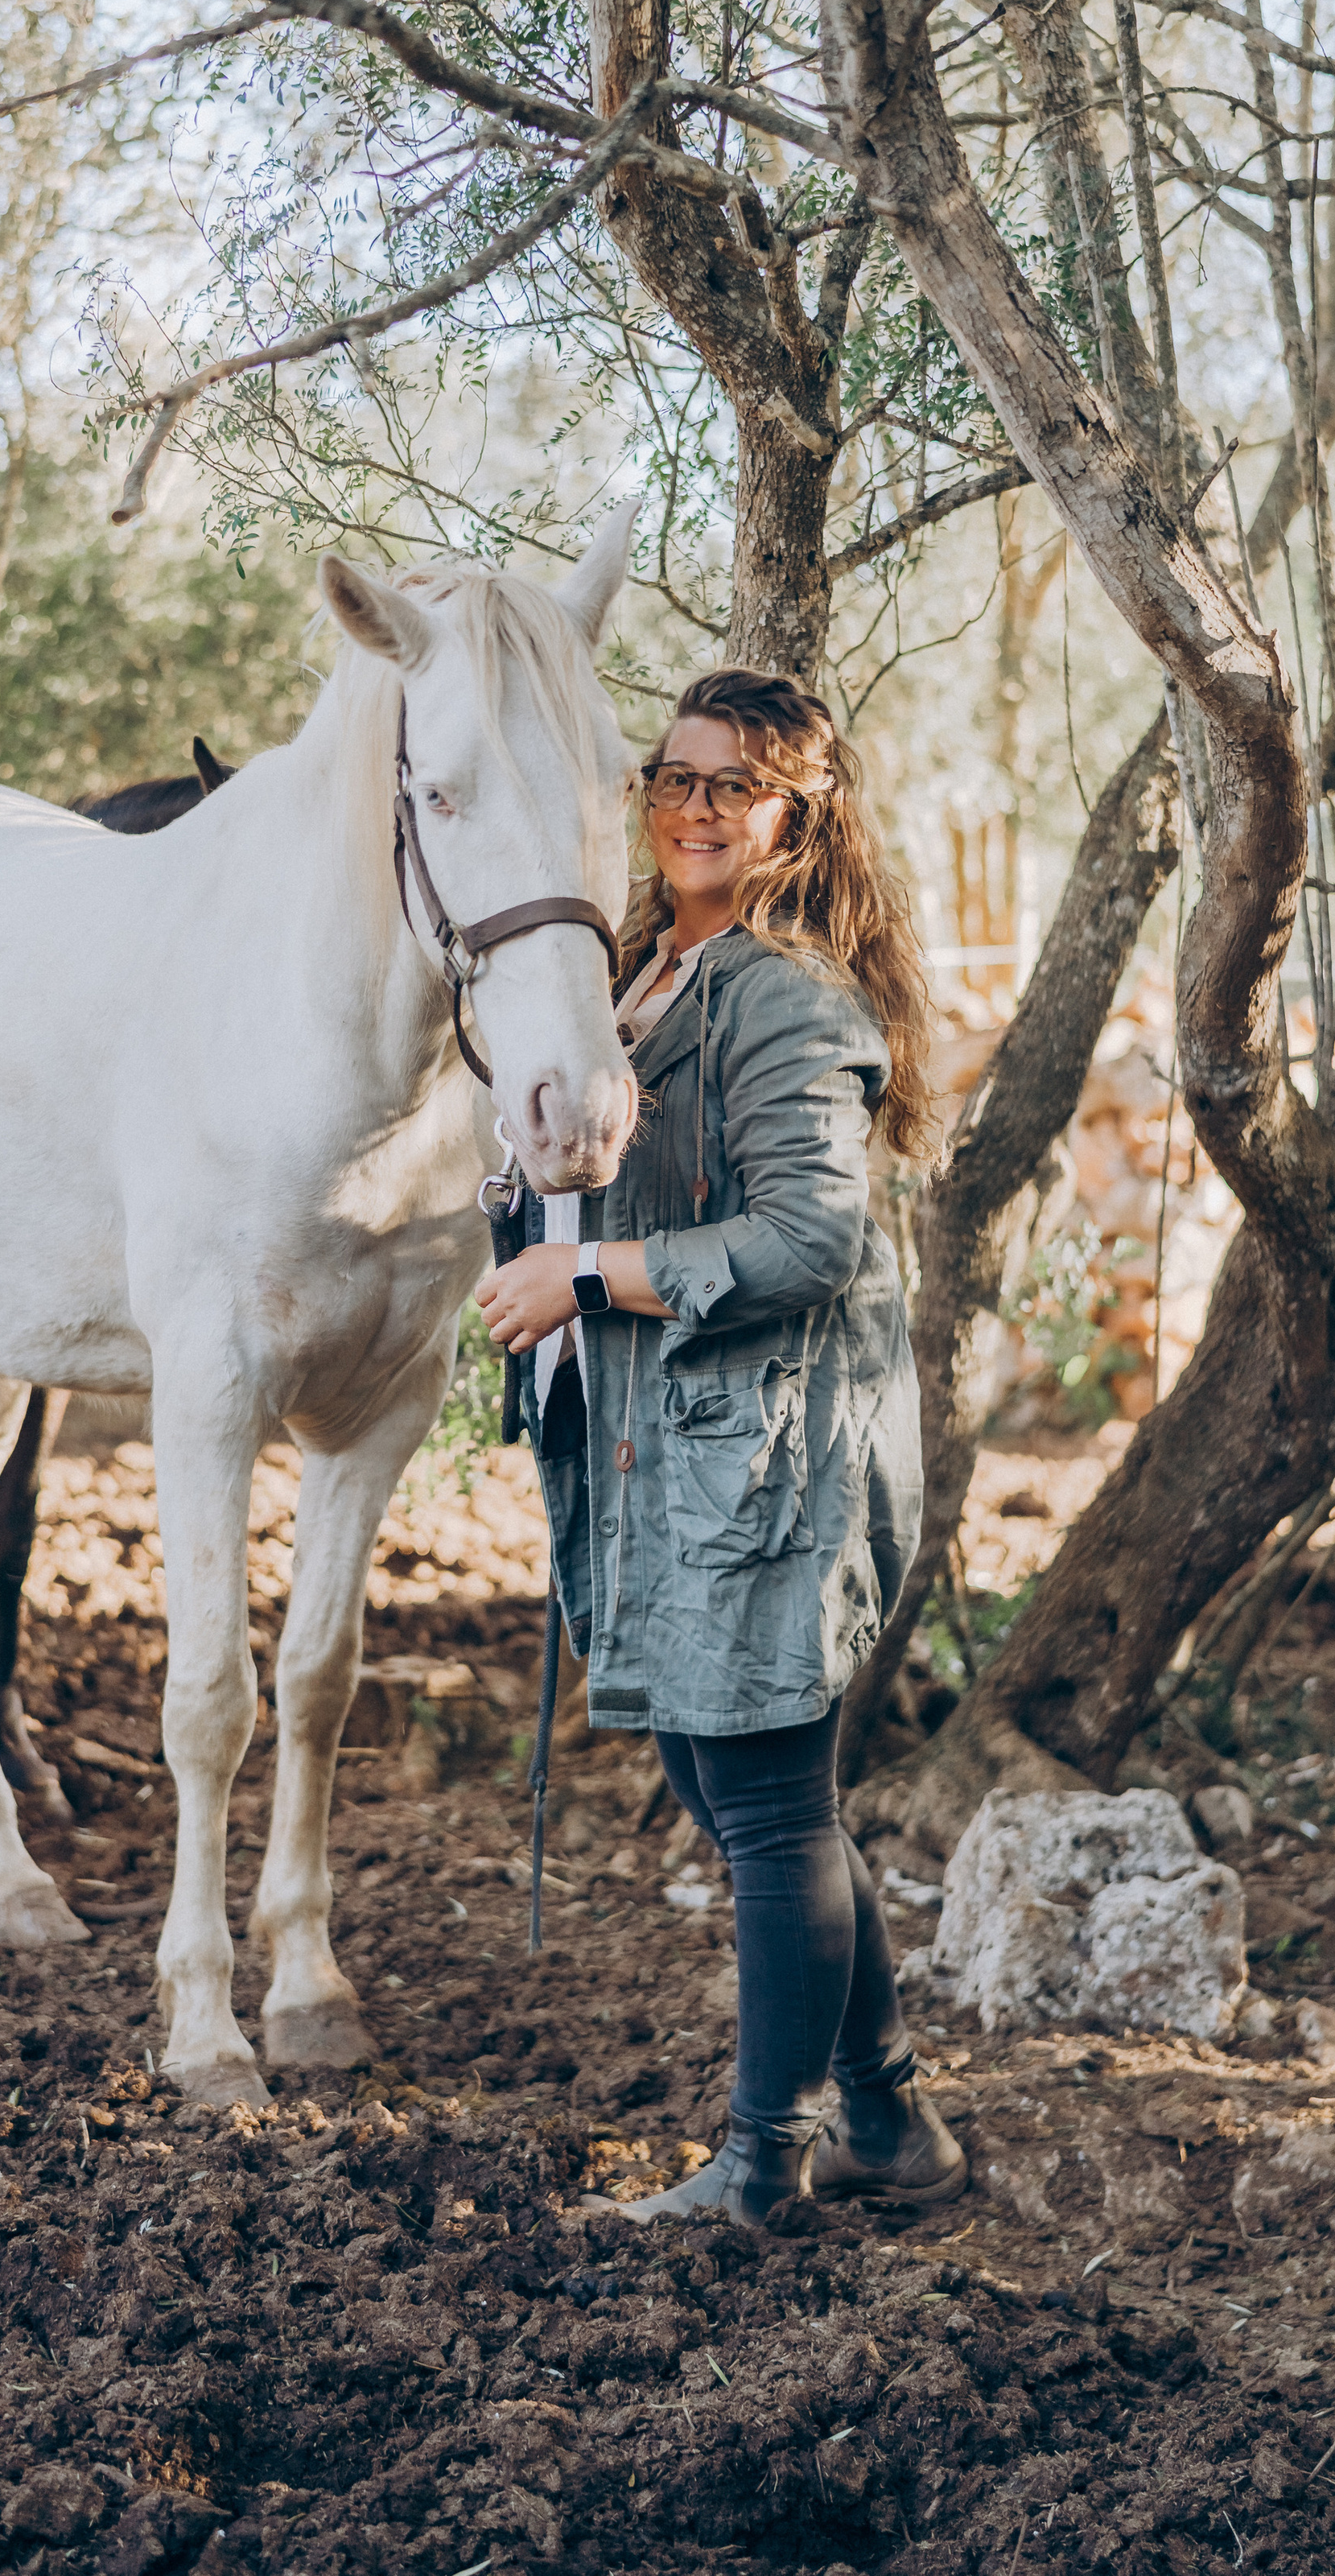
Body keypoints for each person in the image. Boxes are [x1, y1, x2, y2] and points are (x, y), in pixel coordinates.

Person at [476, 668, 963, 2226]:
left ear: (795, 817)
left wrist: (590, 1275)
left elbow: (810, 1239)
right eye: (669, 780)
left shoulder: (784, 998)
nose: (689, 810)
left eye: (729, 787)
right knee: (749, 1799)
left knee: (759, 1807)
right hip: (661, 1445)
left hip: (763, 1451)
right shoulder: (627, 973)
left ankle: (765, 2162)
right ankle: (886, 2123)